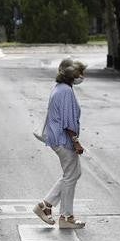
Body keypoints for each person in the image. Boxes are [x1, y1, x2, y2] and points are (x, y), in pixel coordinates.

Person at [34, 58, 87, 230]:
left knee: (72, 174)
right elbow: (68, 122)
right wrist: (76, 142)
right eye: (80, 72)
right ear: (72, 74)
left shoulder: (61, 88)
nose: (82, 76)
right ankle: (66, 216)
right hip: (63, 139)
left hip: (58, 138)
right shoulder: (65, 91)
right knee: (71, 175)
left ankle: (46, 205)